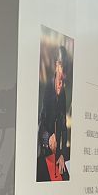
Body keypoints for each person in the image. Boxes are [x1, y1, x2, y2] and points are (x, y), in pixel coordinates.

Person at [37, 45, 70, 181]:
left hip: (57, 153)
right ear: (56, 65)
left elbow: (63, 125)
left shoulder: (63, 93)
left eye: (65, 66)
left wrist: (62, 154)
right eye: (61, 65)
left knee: (65, 177)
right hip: (44, 151)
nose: (63, 72)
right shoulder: (44, 87)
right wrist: (47, 138)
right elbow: (39, 121)